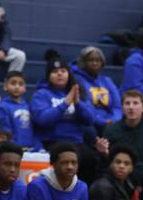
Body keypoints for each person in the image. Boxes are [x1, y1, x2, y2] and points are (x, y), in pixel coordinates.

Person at [30, 55, 102, 184]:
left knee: (91, 158)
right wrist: (65, 103)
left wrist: (78, 103)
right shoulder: (41, 94)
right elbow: (42, 120)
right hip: (52, 141)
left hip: (76, 142)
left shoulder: (77, 91)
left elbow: (90, 119)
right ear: (48, 76)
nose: (59, 74)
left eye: (63, 71)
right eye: (55, 71)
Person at [71, 47, 122, 135]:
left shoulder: (107, 81)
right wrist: (103, 122)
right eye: (91, 60)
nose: (95, 63)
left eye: (98, 60)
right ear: (83, 62)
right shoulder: (78, 80)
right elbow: (86, 108)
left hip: (110, 121)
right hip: (90, 121)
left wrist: (114, 119)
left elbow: (117, 106)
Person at [0, 71, 41, 151]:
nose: (17, 87)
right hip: (13, 150)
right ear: (5, 86)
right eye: (13, 83)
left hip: (30, 149)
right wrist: (14, 147)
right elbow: (6, 131)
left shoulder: (29, 107)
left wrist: (36, 147)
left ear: (25, 88)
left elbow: (35, 130)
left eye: (20, 84)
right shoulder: (3, 106)